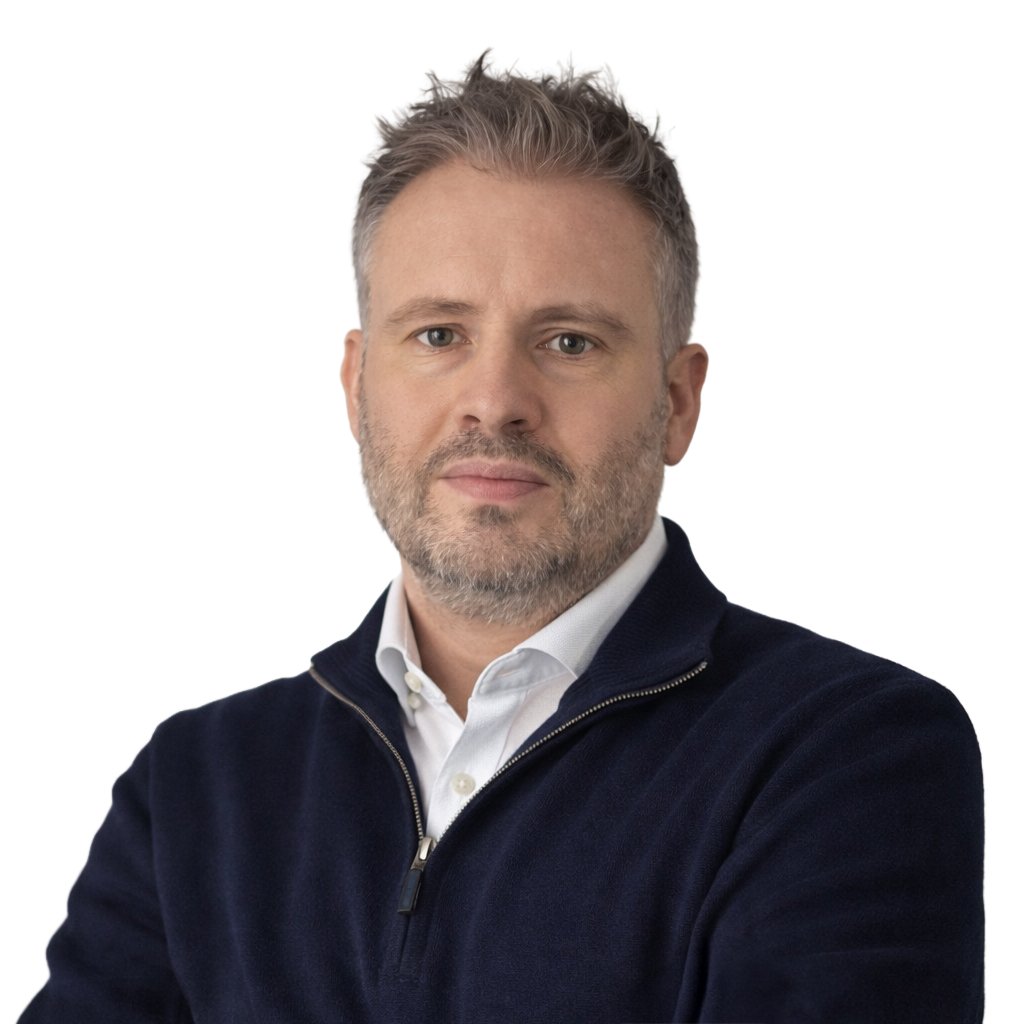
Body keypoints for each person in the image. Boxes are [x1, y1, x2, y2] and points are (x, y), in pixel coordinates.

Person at [20, 56, 983, 1023]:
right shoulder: (197, 790)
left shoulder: (847, 754)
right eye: (439, 335)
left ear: (677, 402)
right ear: (358, 385)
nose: (495, 402)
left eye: (569, 342)